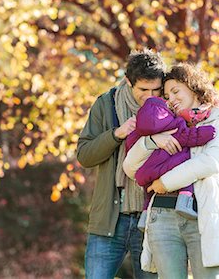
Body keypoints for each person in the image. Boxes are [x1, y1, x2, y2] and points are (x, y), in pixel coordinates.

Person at [123, 63, 219, 279]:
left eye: (176, 91)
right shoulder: (163, 125)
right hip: (162, 216)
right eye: (167, 95)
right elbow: (130, 168)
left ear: (194, 88)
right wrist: (152, 141)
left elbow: (210, 162)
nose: (171, 99)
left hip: (202, 215)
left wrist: (164, 183)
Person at [76, 48, 166, 279]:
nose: (151, 95)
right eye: (143, 89)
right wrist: (116, 134)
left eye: (156, 89)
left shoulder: (169, 106)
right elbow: (85, 155)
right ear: (128, 81)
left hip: (152, 220)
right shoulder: (106, 104)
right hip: (110, 218)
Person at [124, 96, 216, 229]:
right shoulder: (173, 125)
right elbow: (189, 136)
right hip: (167, 168)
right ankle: (184, 201)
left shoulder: (138, 132)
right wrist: (209, 132)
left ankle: (144, 217)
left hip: (144, 173)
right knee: (186, 159)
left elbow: (129, 146)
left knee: (148, 192)